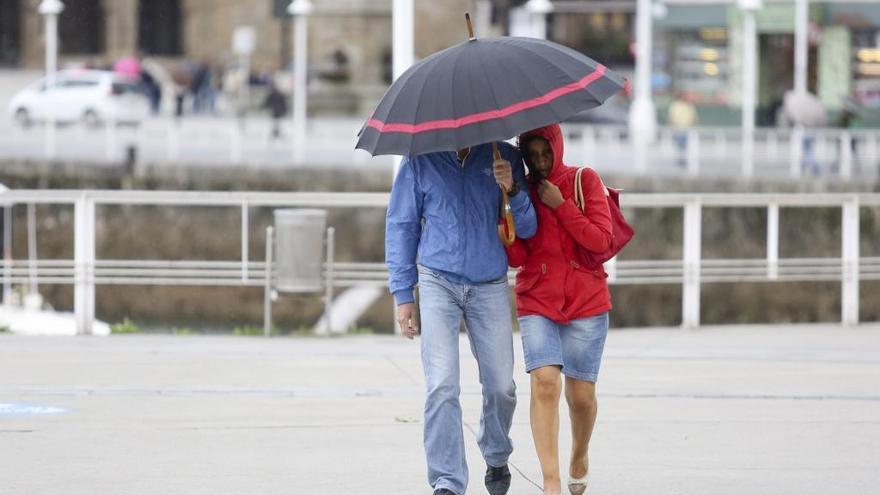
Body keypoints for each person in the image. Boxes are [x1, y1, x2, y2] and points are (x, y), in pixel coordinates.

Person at [386, 142, 538, 495]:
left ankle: (497, 454)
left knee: (503, 386)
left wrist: (512, 188)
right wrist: (403, 295)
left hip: (489, 282)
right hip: (437, 279)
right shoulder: (420, 159)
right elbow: (401, 226)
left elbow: (528, 228)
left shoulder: (504, 155)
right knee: (442, 384)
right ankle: (447, 481)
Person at [507, 124, 613, 495]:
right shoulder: (520, 190)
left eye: (544, 153)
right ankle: (550, 482)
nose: (539, 162)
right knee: (545, 382)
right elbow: (519, 255)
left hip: (586, 302)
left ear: (557, 147)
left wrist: (561, 205)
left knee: (581, 397)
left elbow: (601, 241)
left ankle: (579, 455)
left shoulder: (585, 179)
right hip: (537, 299)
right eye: (531, 155)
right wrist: (507, 210)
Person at [667, 91, 699, 167]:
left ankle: (683, 160)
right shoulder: (675, 105)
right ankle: (681, 160)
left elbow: (694, 117)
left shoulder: (689, 105)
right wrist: (672, 128)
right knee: (680, 145)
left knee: (684, 145)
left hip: (687, 129)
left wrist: (695, 123)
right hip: (678, 129)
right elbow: (671, 117)